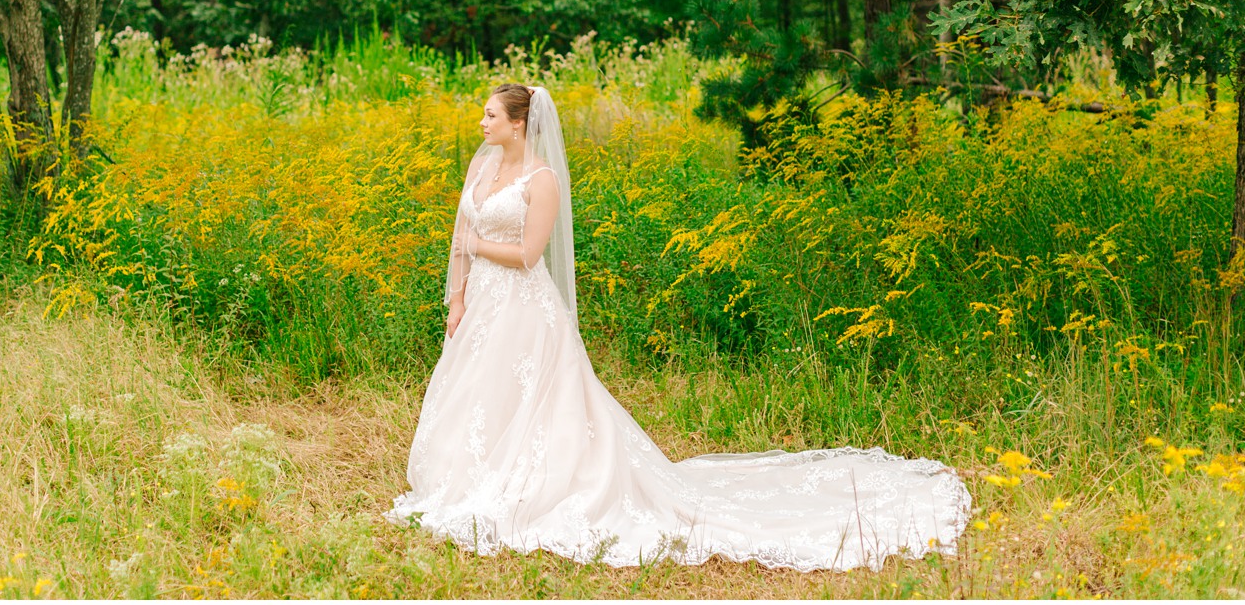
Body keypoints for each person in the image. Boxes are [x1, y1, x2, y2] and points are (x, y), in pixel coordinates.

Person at [386, 82, 971, 570]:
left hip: (522, 305)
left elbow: (529, 254)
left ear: (518, 123)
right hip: (481, 303)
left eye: (490, 114)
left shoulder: (541, 180)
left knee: (535, 399)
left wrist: (478, 244)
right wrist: (455, 296)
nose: (481, 122)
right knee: (481, 393)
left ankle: (540, 486)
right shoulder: (482, 164)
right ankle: (468, 477)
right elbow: (457, 239)